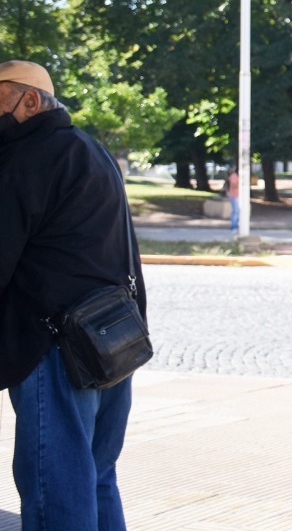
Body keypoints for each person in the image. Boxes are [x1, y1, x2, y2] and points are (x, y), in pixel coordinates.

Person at [0, 59, 147, 529]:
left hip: (56, 349)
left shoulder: (29, 157)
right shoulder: (90, 149)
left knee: (55, 493)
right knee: (97, 479)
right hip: (111, 341)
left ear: (29, 100)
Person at [226, 167, 240, 232]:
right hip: (235, 195)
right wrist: (241, 185)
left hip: (233, 195)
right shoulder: (234, 176)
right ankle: (234, 226)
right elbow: (234, 184)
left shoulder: (232, 176)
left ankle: (234, 226)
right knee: (236, 211)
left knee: (235, 211)